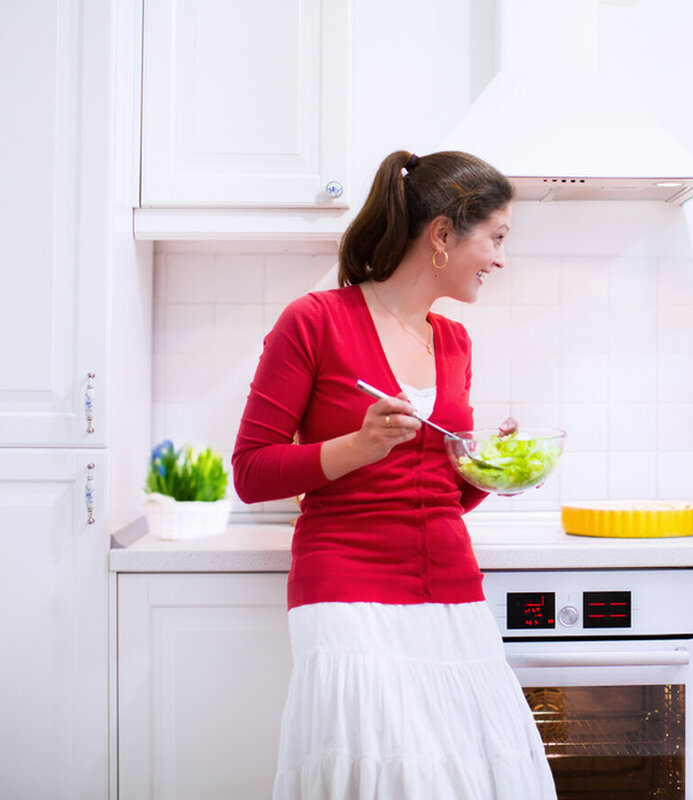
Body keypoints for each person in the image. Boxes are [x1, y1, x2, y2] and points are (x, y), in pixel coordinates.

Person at [232, 150, 556, 799]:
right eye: (494, 237)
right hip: (346, 588)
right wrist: (357, 445)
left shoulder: (457, 343)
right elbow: (251, 470)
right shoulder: (315, 321)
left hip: (451, 589)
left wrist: (486, 469)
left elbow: (440, 495)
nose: (500, 258)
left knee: (480, 778)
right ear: (441, 235)